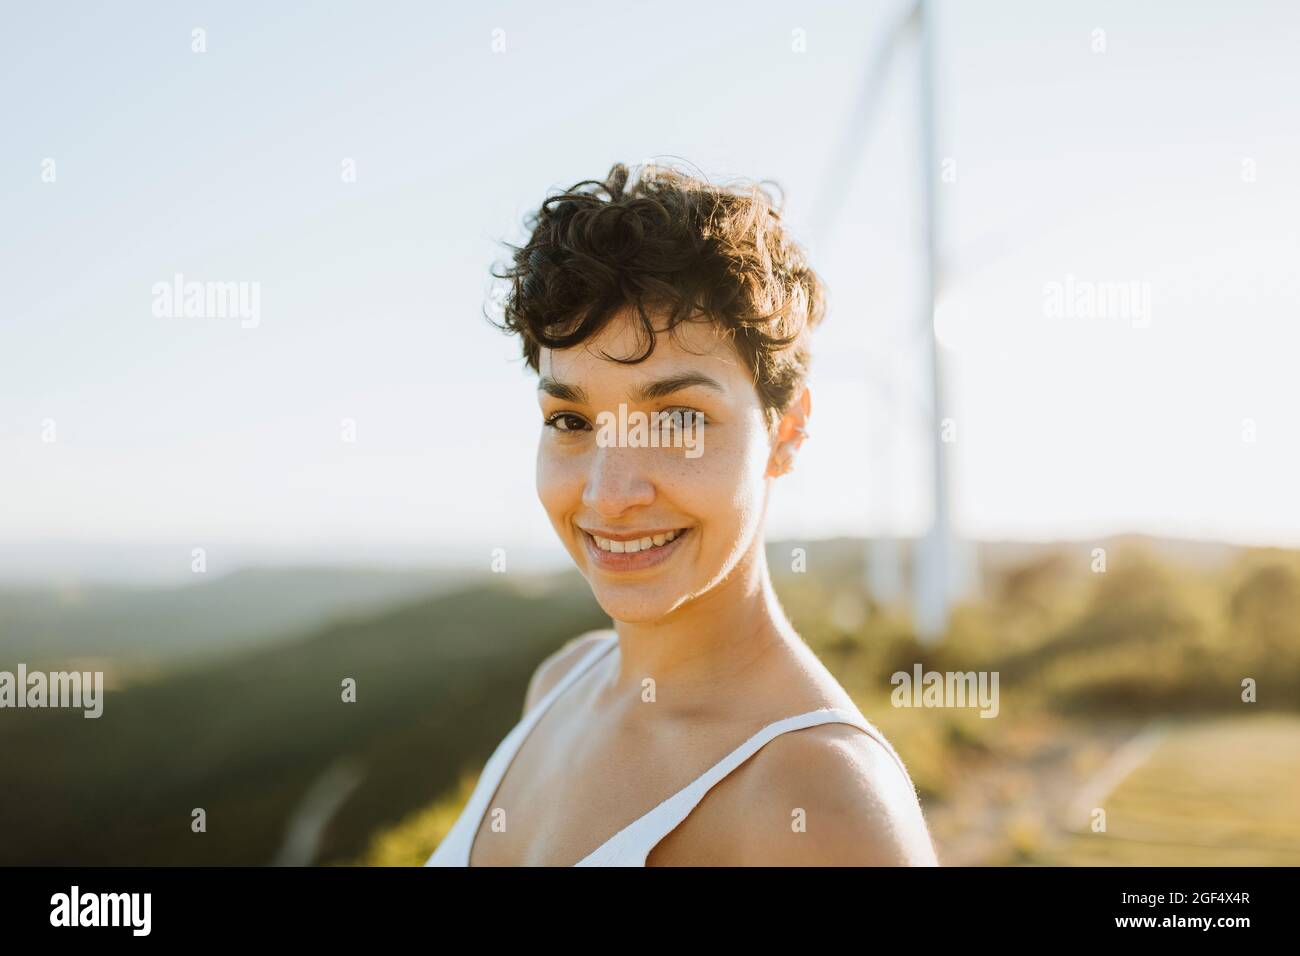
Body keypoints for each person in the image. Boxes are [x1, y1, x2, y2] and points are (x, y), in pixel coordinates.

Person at [426, 161, 938, 866]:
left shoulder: (821, 803)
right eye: (572, 421)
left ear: (785, 432)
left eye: (676, 420)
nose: (609, 494)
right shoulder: (562, 680)